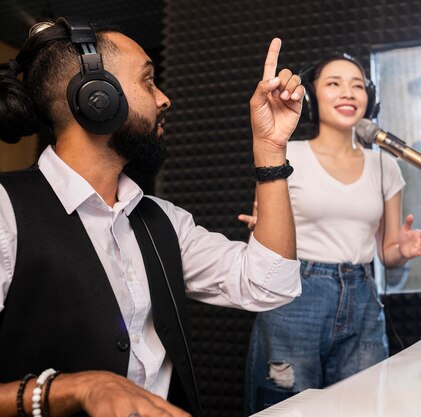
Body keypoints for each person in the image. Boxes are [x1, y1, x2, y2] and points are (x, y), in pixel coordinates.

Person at [0, 16, 305, 417]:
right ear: (97, 97)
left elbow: (270, 285)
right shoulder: (6, 210)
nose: (164, 99)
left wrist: (270, 150)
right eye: (148, 81)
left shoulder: (163, 220)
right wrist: (73, 389)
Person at [240, 53, 421, 415]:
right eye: (334, 84)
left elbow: (388, 252)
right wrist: (262, 233)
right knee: (289, 406)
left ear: (369, 98)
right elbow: (267, 231)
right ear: (312, 96)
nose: (348, 93)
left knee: (364, 407)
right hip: (296, 297)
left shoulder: (386, 165)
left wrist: (402, 249)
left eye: (358, 85)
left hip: (363, 298)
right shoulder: (284, 154)